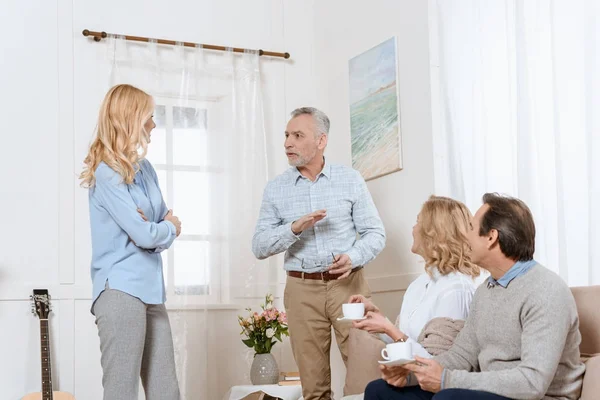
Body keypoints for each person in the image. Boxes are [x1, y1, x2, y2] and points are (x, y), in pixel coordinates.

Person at [365, 193, 586, 400]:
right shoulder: (486, 291)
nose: (464, 235)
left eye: (470, 227)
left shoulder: (545, 290)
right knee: (379, 391)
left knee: (447, 397)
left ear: (491, 237)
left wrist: (446, 380)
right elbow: (460, 357)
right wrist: (413, 373)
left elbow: (532, 382)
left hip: (537, 396)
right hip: (492, 390)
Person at [252, 107, 386, 400]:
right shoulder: (275, 189)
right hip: (301, 290)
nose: (288, 142)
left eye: (298, 135)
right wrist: (294, 228)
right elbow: (259, 245)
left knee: (367, 375)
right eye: (287, 135)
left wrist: (353, 257)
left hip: (349, 287)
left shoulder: (350, 179)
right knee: (313, 387)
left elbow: (376, 233)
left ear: (321, 140)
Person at [80, 84, 182, 400]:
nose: (154, 124)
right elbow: (149, 232)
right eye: (150, 117)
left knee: (166, 392)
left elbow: (162, 220)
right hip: (121, 290)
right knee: (122, 391)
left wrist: (155, 228)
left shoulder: (145, 169)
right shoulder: (107, 172)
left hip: (152, 289)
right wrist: (161, 229)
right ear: (132, 118)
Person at [350, 195, 480, 358]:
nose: (413, 228)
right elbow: (402, 344)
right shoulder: (418, 285)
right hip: (410, 375)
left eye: (418, 222)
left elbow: (440, 366)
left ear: (435, 233)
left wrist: (388, 328)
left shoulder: (457, 290)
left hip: (434, 381)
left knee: (374, 385)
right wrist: (379, 319)